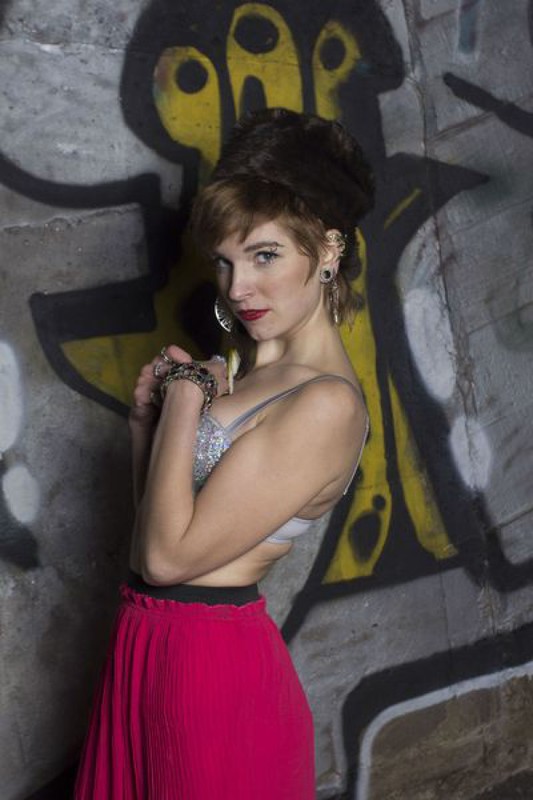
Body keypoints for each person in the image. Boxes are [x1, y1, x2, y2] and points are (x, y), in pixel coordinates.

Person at [74, 108, 374, 800]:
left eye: (265, 256)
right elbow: (149, 540)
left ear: (328, 249)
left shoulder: (327, 403)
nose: (237, 288)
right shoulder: (250, 375)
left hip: (210, 674)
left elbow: (167, 560)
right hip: (148, 646)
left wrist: (185, 399)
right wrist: (146, 427)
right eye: (225, 261)